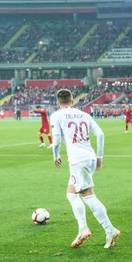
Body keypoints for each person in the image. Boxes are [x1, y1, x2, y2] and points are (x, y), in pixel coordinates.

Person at [50, 89, 120, 249]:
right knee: (71, 194)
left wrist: (55, 156)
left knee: (88, 196)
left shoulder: (56, 115)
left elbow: (56, 142)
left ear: (57, 102)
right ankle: (82, 229)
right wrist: (99, 157)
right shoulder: (84, 114)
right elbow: (100, 134)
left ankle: (110, 230)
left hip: (77, 160)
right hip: (90, 157)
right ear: (72, 100)